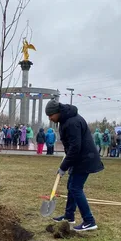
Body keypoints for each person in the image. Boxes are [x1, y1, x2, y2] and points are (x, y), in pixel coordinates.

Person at [45, 99, 104, 232]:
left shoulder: (72, 122)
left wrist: (63, 167)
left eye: (51, 115)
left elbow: (75, 147)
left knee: (76, 188)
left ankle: (89, 221)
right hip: (79, 158)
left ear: (57, 112)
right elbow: (71, 146)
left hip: (85, 159)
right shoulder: (65, 120)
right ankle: (69, 216)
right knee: (71, 186)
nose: (50, 118)